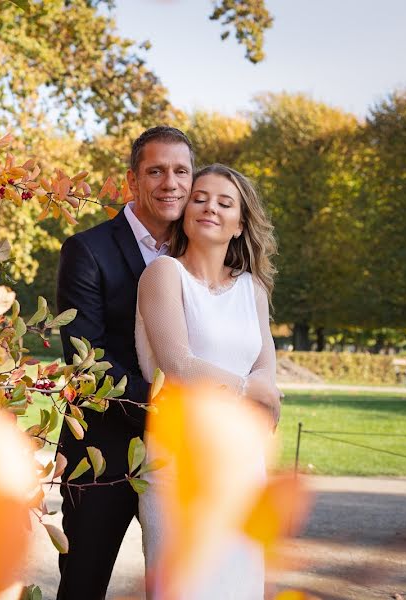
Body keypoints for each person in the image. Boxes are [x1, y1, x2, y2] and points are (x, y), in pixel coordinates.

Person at [55, 126, 194, 599]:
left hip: (183, 454)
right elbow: (86, 361)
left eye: (181, 171)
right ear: (133, 181)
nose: (170, 183)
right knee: (83, 586)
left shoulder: (205, 253)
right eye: (156, 171)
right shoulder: (87, 250)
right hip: (102, 453)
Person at [135, 164, 281, 598]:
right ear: (184, 211)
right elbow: (179, 365)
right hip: (179, 457)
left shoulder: (252, 288)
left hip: (241, 463)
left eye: (224, 202)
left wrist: (260, 393)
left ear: (239, 224)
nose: (210, 208)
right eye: (199, 198)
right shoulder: (163, 274)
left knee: (238, 585)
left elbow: (266, 372)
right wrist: (247, 391)